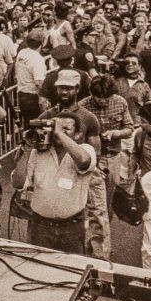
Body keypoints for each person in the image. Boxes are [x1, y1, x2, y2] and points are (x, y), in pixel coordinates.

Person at [10, 108, 103, 255]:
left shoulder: (85, 149)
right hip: (39, 226)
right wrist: (27, 149)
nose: (57, 132)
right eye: (55, 128)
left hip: (72, 228)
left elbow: (84, 161)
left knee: (72, 272)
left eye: (66, 128)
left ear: (78, 134)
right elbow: (18, 183)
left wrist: (59, 132)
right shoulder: (37, 152)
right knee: (39, 270)